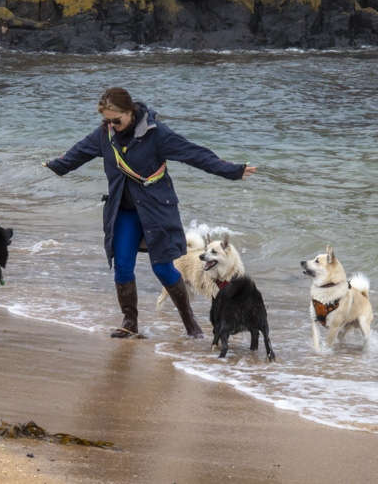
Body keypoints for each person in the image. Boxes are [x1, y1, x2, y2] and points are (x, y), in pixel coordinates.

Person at [43, 87, 256, 339]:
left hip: (156, 211)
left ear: (130, 112)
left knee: (163, 269)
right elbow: (80, 151)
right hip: (123, 211)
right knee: (122, 266)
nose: (111, 125)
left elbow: (194, 154)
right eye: (106, 120)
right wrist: (58, 166)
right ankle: (129, 322)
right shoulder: (105, 133)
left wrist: (231, 170)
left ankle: (191, 323)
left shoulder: (156, 134)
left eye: (116, 120)